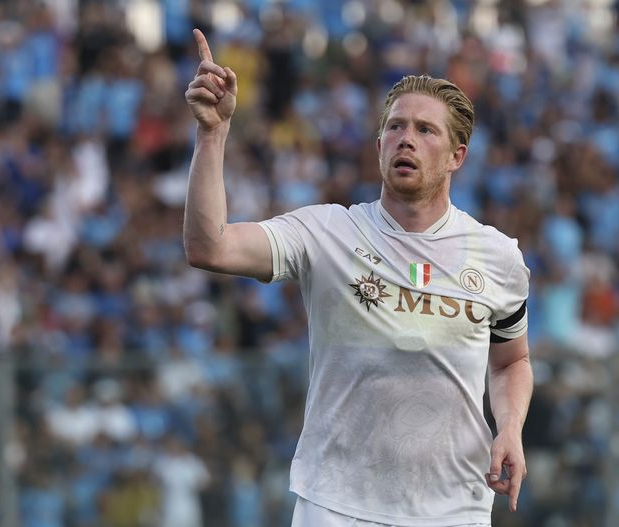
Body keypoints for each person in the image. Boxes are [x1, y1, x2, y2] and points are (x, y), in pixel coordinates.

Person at [183, 28, 533, 527]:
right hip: (335, 504)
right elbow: (209, 246)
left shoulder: (497, 257)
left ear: (457, 156)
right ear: (379, 144)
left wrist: (511, 428)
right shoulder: (327, 232)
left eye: (426, 130)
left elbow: (510, 361)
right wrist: (213, 134)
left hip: (454, 508)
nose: (406, 138)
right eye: (396, 127)